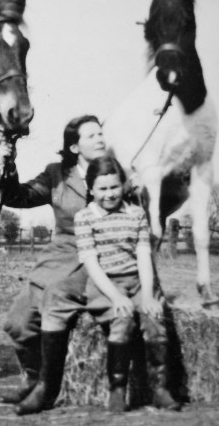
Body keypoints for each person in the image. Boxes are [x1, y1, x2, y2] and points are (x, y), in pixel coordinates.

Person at [0, 114, 106, 415]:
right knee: (17, 323)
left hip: (98, 258)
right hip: (59, 256)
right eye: (92, 135)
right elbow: (17, 198)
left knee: (55, 297)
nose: (100, 139)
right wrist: (7, 166)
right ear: (74, 148)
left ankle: (47, 388)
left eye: (101, 134)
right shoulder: (56, 174)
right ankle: (31, 379)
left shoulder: (115, 172)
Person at [72, 155, 180, 412]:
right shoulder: (85, 217)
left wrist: (149, 295)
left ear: (123, 185)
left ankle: (160, 389)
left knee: (154, 321)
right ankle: (117, 390)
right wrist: (116, 297)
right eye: (102, 188)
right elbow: (91, 263)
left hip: (137, 279)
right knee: (122, 320)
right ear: (91, 189)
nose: (109, 194)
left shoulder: (136, 214)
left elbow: (143, 255)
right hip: (105, 284)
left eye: (114, 187)